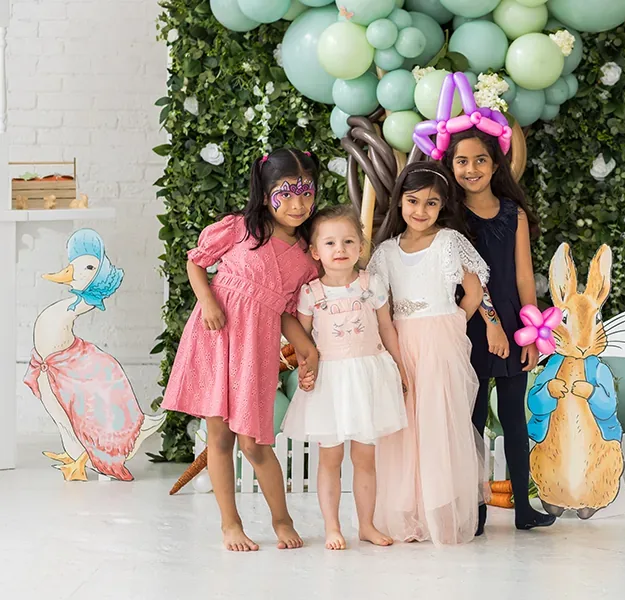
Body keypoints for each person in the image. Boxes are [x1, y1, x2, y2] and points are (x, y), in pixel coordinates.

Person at [162, 148, 321, 552]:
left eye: (306, 193)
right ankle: (230, 524)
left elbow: (285, 311)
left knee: (254, 442)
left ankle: (282, 520)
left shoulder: (308, 257)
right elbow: (196, 263)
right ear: (266, 194)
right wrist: (208, 302)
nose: (298, 204)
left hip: (257, 350)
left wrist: (307, 347)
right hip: (218, 337)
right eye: (286, 194)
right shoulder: (238, 228)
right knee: (219, 437)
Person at [368, 161, 489, 546]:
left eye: (431, 203)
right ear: (399, 201)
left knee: (438, 423)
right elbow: (382, 306)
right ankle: (410, 515)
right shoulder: (386, 252)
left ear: (442, 206)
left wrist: (451, 322)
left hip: (440, 342)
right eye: (413, 201)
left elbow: (474, 291)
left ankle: (440, 512)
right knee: (406, 427)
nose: (420, 210)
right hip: (401, 342)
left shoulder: (448, 242)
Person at [443, 129, 557, 533]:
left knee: (513, 419)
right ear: (451, 166)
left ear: (495, 166)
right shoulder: (450, 216)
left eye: (480, 160)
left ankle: (524, 508)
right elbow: (468, 277)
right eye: (462, 161)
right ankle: (476, 511)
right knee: (472, 419)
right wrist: (489, 325)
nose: (471, 169)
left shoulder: (514, 214)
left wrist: (532, 331)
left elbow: (525, 276)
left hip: (510, 323)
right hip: (471, 323)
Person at [281, 205, 408, 550]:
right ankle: (333, 527)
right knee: (330, 459)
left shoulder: (371, 284)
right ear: (315, 251)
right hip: (330, 384)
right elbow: (303, 342)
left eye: (349, 241)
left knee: (365, 458)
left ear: (361, 246)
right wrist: (304, 371)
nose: (340, 249)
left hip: (368, 377)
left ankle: (366, 525)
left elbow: (386, 328)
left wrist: (400, 368)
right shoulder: (311, 293)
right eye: (330, 243)